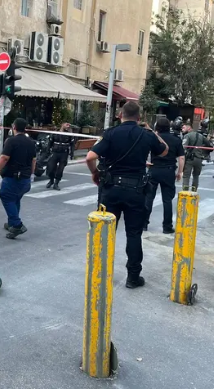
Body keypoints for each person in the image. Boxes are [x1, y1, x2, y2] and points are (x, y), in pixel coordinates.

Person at [86, 102, 168, 289]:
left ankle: (101, 273)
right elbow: (164, 150)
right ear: (139, 118)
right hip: (136, 191)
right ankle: (133, 277)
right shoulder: (146, 135)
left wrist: (95, 173)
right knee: (133, 234)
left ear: (120, 114)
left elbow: (90, 157)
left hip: (111, 190)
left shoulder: (110, 133)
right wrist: (150, 130)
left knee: (106, 233)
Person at [0, 118, 37, 238]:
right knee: (15, 199)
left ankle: (17, 225)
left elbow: (4, 158)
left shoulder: (11, 141)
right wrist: (32, 174)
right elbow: (33, 160)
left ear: (14, 127)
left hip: (14, 176)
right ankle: (12, 222)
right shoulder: (31, 142)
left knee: (5, 196)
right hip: (25, 178)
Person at [143, 118, 185, 234]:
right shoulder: (176, 140)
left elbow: (145, 151)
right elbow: (181, 158)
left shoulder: (154, 138)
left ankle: (144, 224)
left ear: (157, 127)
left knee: (149, 197)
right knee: (167, 200)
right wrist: (180, 172)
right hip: (169, 171)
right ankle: (167, 227)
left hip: (154, 169)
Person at [182, 123, 212, 190]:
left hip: (189, 159)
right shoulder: (201, 136)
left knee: (186, 176)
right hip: (199, 159)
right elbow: (209, 144)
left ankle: (185, 192)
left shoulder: (187, 136)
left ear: (189, 128)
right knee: (196, 176)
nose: (182, 129)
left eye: (184, 128)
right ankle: (194, 191)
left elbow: (184, 147)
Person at [46, 122, 75, 191]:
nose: (68, 126)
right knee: (51, 168)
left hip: (64, 153)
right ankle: (51, 180)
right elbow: (50, 142)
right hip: (55, 152)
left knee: (60, 169)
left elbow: (72, 144)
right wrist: (47, 150)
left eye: (69, 125)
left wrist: (72, 153)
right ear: (62, 125)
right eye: (66, 124)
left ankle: (56, 183)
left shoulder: (70, 134)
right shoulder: (55, 133)